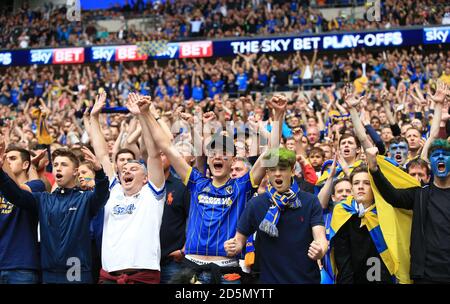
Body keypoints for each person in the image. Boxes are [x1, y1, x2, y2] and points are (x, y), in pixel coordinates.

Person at [145, 95, 288, 284]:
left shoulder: (242, 185)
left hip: (228, 273)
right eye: (213, 153)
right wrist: (147, 113)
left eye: (223, 153)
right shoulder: (196, 182)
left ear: (233, 161)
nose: (217, 157)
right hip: (190, 270)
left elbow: (271, 153)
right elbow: (166, 146)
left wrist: (278, 114)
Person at [0, 145, 109, 283]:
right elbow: (16, 195)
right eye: (56, 164)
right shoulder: (43, 199)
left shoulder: (85, 199)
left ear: (75, 172)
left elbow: (102, 195)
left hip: (76, 271)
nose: (58, 167)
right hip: (48, 272)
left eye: (64, 165)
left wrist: (99, 172)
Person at [224, 148, 327, 283]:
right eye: (272, 169)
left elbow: (321, 239)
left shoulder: (310, 201)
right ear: (267, 173)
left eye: (283, 169)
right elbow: (239, 239)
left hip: (306, 280)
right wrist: (234, 246)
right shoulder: (256, 204)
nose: (277, 174)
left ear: (292, 171)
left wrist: (320, 250)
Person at [95, 93, 166, 284]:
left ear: (145, 178)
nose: (126, 170)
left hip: (143, 276)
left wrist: (142, 115)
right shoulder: (114, 191)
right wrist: (93, 117)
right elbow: (102, 155)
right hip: (109, 276)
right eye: (124, 169)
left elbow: (153, 155)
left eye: (133, 168)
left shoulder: (152, 194)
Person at [330, 165, 395, 284]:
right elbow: (342, 258)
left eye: (366, 183)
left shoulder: (385, 213)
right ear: (352, 188)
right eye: (356, 183)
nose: (360, 186)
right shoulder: (342, 212)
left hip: (379, 276)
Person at [0, 144, 46, 284]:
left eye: (12, 158)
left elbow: (17, 191)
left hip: (22, 266)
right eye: (5, 159)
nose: (8, 162)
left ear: (25, 164)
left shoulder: (37, 186)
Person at [160, 151, 190, 284]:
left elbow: (193, 219)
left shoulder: (181, 187)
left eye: (162, 154)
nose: (158, 158)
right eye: (155, 154)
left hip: (172, 260)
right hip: (145, 263)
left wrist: (184, 249)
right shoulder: (142, 187)